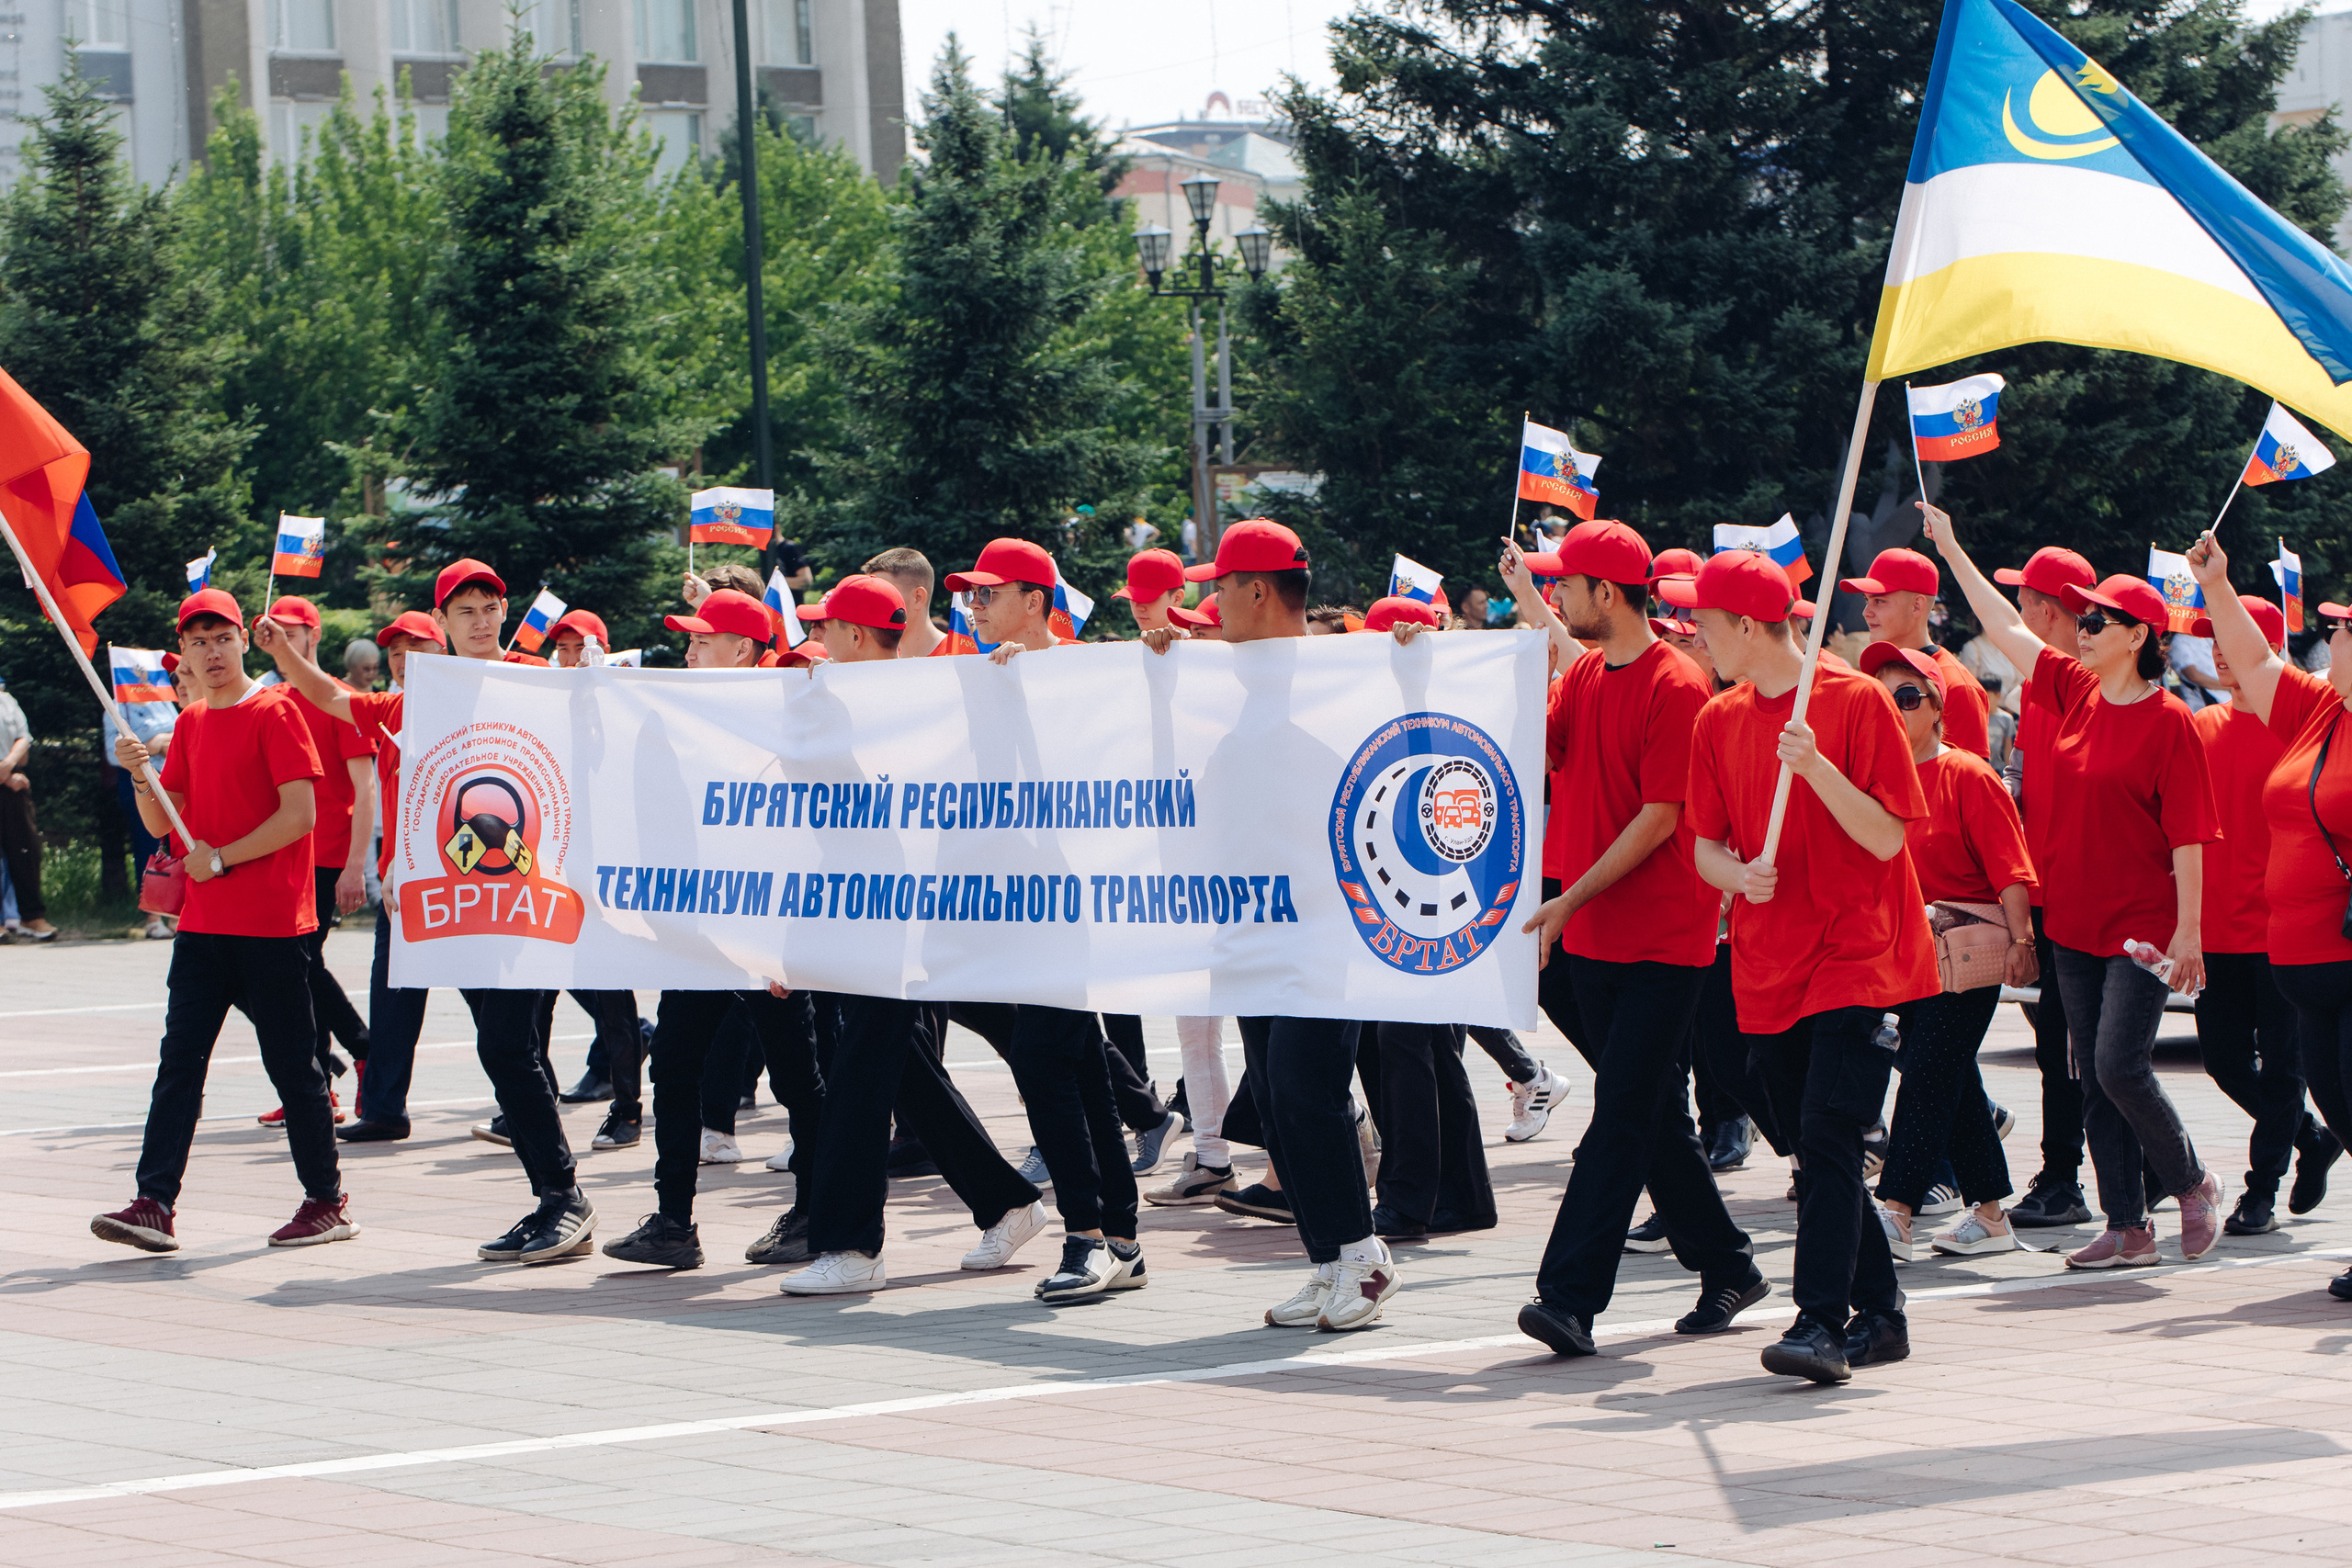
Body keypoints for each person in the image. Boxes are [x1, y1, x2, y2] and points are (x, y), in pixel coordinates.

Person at [259, 560, 595, 1264]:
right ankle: (555, 1198)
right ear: (440, 624)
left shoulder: (536, 683)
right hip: (457, 905)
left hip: (524, 899)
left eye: (488, 605)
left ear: (504, 612)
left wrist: (593, 680)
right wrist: (283, 653)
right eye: (463, 608)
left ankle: (565, 1199)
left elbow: (605, 732)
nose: (478, 618)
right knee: (504, 1047)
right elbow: (333, 696)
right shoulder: (421, 700)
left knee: (507, 1043)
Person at [1927, 504, 2226, 1271]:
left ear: (2139, 637)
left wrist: (2189, 931)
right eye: (2084, 618)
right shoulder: (2072, 689)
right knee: (2089, 1072)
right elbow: (2005, 625)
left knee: (2121, 1063)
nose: (2083, 628)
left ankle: (2192, 1181)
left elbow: (2190, 835)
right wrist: (1955, 546)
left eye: (2102, 620)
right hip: (2075, 921)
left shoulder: (2170, 722)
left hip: (2144, 925)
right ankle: (2127, 1226)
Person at [1678, 550, 1940, 1383]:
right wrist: (1736, 874)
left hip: (1859, 957)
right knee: (1815, 1150)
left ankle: (1820, 1320)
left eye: (1706, 625)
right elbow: (1703, 849)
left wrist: (1816, 765)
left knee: (1829, 1137)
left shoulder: (1854, 701)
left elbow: (1888, 836)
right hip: (1768, 965)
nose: (1698, 637)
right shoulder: (1718, 719)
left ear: (1747, 626)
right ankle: (1884, 1315)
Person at [1508, 522, 1767, 1359]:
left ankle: (1568, 1297)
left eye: (1566, 585)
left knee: (1620, 1114)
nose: (1558, 597)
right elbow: (1531, 748)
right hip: (1590, 938)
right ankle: (1729, 1263)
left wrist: (1568, 897)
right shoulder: (1585, 673)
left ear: (1606, 594)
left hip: (1661, 942)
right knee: (1650, 1113)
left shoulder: (1678, 684)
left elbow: (1661, 819)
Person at [1147, 518, 1401, 1330]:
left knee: (1307, 1089)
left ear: (1258, 590)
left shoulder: (1340, 680)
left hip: (1327, 931)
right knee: (1282, 1103)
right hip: (1253, 927)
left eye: (1219, 585)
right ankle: (1328, 1258)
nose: (1211, 602)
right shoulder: (1235, 682)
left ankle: (1362, 1261)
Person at [773, 575, 1051, 1292]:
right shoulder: (835, 705)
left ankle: (853, 1246)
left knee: (861, 1072)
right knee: (899, 1067)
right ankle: (1005, 1198)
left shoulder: (927, 708)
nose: (819, 644)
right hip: (855, 910)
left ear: (857, 638)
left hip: (899, 911)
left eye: (828, 630)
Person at [96, 587, 353, 1253]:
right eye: (197, 641)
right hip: (205, 927)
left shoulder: (277, 712)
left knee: (294, 1066)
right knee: (179, 1061)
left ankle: (326, 1200)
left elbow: (301, 816)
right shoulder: (190, 725)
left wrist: (223, 858)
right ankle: (154, 1200)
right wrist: (139, 776)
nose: (211, 652)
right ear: (182, 652)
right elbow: (163, 824)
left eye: (222, 638)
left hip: (272, 924)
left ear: (245, 640)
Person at [933, 536, 1148, 1303]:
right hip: (1017, 906)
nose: (975, 607)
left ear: (1037, 600)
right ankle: (1119, 1233)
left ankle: (1090, 1234)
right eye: (969, 596)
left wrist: (1160, 653)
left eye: (989, 594)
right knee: (1081, 1065)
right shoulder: (985, 677)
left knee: (1042, 1057)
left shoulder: (1086, 672)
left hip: (1080, 903)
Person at [601, 588, 828, 1270]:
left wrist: (797, 938)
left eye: (704, 638)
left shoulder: (786, 717)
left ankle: (816, 1209)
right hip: (696, 923)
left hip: (765, 930)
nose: (690, 647)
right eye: (690, 638)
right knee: (673, 1066)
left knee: (796, 1075)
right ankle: (673, 1221)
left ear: (745, 651)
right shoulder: (677, 715)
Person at [2186, 534, 2352, 1302]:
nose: (2330, 638)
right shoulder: (2319, 710)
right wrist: (2217, 585)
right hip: (2301, 960)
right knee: (2337, 1104)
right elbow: (2255, 664)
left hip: (2345, 959)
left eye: (2343, 630)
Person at [1857, 642, 2036, 1263]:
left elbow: (2011, 870)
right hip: (1901, 952)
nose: (1894, 707)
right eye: (1882, 696)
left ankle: (1898, 1207)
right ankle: (1989, 1214)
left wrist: (2023, 942)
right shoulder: (1873, 782)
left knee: (1929, 1074)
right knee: (1951, 1078)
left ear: (1936, 707)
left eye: (1907, 696)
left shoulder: (1968, 774)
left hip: (1966, 951)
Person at [250, 596, 375, 1130]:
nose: (280, 638)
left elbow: (366, 789)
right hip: (281, 857)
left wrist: (354, 867)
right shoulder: (270, 698)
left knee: (300, 965)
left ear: (314, 635)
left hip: (325, 857)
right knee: (296, 969)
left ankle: (361, 1054)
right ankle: (319, 1080)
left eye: (292, 631)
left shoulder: (341, 700)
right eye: (272, 630)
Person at [1837, 547, 1993, 758]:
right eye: (1867, 600)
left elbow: (1968, 782)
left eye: (1879, 601)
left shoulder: (1958, 687)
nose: (1866, 612)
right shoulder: (1873, 673)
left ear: (1917, 606)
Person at [0, 677, 57, 941]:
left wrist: (8, 765)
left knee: (26, 849)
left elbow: (23, 738)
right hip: (7, 778)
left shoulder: (8, 700)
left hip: (12, 781)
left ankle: (32, 917)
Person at [864, 547, 949, 659]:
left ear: (918, 598)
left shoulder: (960, 655)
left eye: (884, 596)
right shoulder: (879, 661)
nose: (871, 607)